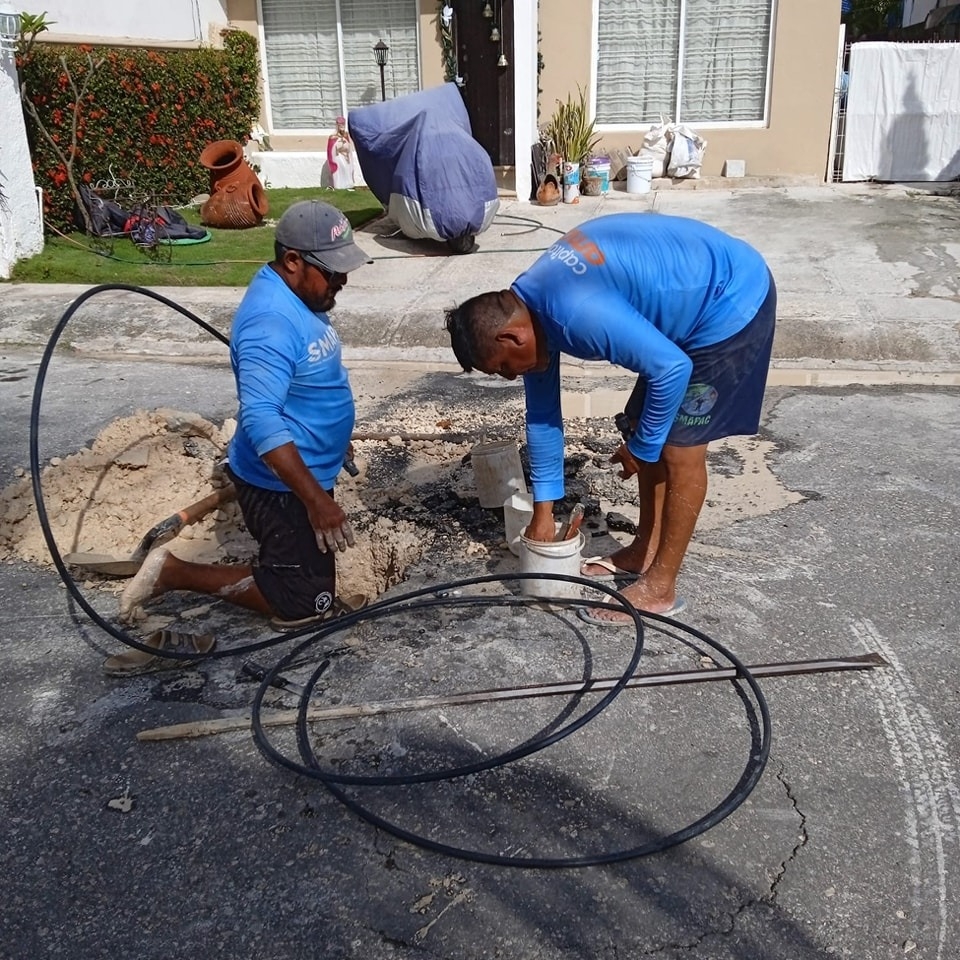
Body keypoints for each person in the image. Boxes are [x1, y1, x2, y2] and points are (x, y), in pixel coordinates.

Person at [444, 212, 776, 625]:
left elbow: (671, 370)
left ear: (511, 338)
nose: (512, 376)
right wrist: (543, 513)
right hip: (691, 299)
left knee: (677, 448)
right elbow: (544, 418)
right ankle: (644, 551)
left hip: (731, 299)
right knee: (645, 424)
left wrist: (643, 447)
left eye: (504, 368)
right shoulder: (531, 307)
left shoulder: (573, 313)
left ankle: (660, 588)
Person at [113, 200, 373, 658]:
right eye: (332, 272)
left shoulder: (302, 296)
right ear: (293, 261)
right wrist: (315, 501)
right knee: (305, 604)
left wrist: (333, 435)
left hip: (308, 470)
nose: (342, 281)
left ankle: (284, 566)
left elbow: (312, 379)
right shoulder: (269, 324)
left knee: (310, 581)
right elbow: (260, 419)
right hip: (280, 486)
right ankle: (172, 571)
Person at [327, 116, 356, 191]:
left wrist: (346, 145)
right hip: (338, 157)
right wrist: (338, 145)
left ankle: (348, 184)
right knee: (341, 169)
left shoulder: (346, 135)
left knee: (347, 169)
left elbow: (349, 146)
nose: (342, 127)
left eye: (343, 125)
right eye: (340, 125)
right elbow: (331, 150)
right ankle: (339, 185)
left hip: (346, 156)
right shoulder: (333, 137)